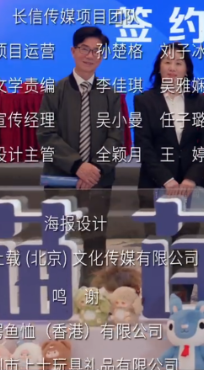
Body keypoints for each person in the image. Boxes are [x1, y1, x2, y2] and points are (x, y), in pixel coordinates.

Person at [36, 26, 125, 286]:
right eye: (85, 49)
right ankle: (59, 291)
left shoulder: (111, 94)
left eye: (97, 50)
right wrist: (77, 166)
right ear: (74, 51)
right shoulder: (55, 91)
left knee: (95, 239)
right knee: (59, 239)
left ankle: (91, 294)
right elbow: (46, 135)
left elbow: (116, 138)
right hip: (61, 178)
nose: (90, 55)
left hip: (98, 180)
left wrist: (94, 169)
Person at [133, 42, 204, 302]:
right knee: (157, 244)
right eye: (167, 62)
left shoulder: (199, 101)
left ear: (187, 69)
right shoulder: (144, 100)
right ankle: (156, 298)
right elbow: (143, 144)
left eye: (179, 63)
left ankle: (182, 299)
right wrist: (166, 180)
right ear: (158, 66)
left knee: (186, 245)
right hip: (155, 183)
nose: (172, 67)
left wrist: (191, 178)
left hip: (192, 186)